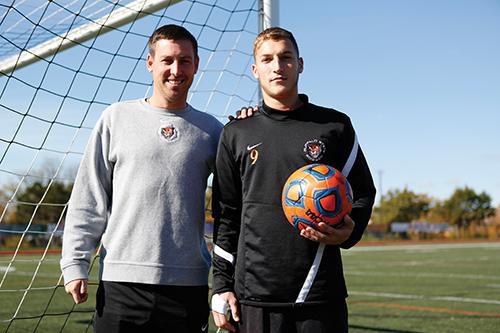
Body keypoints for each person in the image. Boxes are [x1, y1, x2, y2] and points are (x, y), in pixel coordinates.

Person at [60, 24, 226, 333]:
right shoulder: (115, 118)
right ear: (150, 63)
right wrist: (75, 262)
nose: (176, 70)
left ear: (196, 65)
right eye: (167, 60)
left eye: (185, 61)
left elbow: (235, 201)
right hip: (121, 285)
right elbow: (88, 196)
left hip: (187, 286)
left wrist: (247, 127)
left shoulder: (212, 131)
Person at [211, 27, 376, 333]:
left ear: (300, 64)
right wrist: (221, 285)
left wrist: (349, 230)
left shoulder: (335, 125)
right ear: (254, 69)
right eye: (268, 59)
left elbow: (363, 191)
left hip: (319, 292)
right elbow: (226, 215)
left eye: (286, 57)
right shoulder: (236, 133)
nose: (277, 66)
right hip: (254, 296)